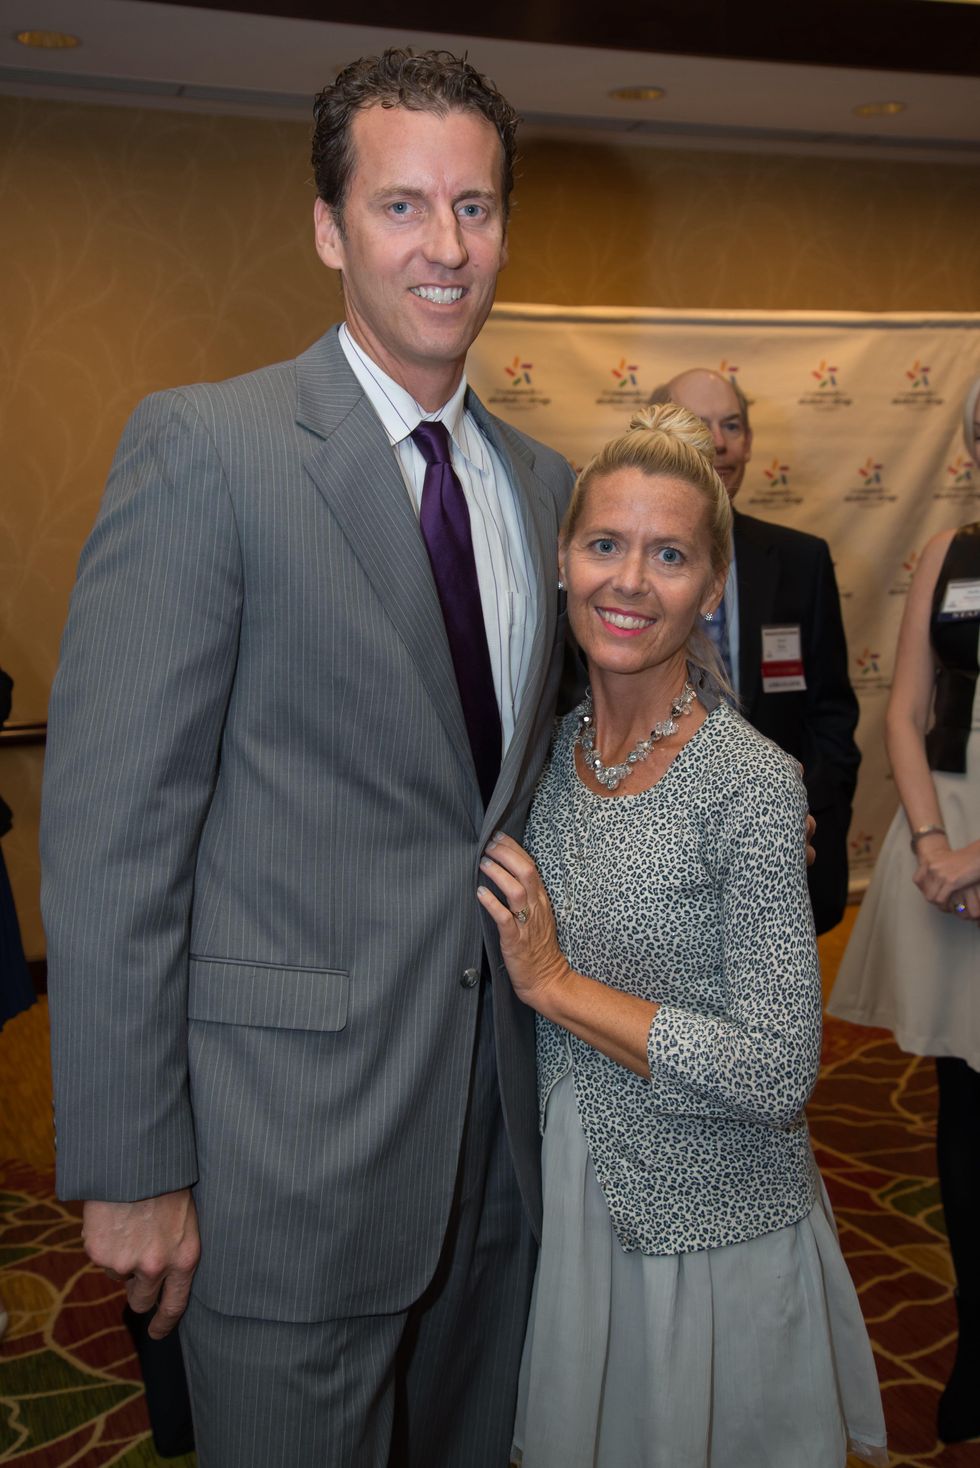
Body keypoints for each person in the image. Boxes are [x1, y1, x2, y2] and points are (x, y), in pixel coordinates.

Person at [41, 49, 575, 1468]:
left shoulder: (542, 485)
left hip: (497, 1157)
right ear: (330, 230)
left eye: (476, 206)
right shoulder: (206, 451)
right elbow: (113, 842)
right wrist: (131, 1166)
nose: (446, 245)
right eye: (403, 207)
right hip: (283, 1167)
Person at [477, 404, 887, 1467]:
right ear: (561, 560)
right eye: (603, 544)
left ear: (709, 588)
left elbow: (776, 1064)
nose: (627, 581)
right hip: (574, 1214)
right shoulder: (543, 754)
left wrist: (556, 985)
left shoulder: (749, 783)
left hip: (709, 1243)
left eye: (668, 555)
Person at [828, 374, 980, 1446]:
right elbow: (904, 708)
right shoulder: (945, 554)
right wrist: (931, 843)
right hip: (947, 845)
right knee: (959, 1109)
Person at [649, 368, 860, 934]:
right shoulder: (624, 572)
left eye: (732, 425)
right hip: (654, 859)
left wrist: (799, 817)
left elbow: (832, 716)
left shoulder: (801, 560)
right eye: (697, 425)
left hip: (788, 857)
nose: (718, 443)